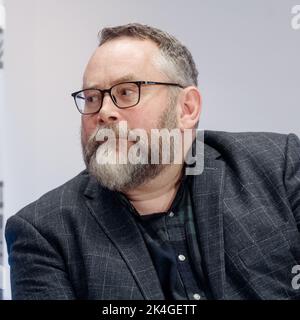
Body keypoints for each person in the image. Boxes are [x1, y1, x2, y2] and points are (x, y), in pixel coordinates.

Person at [5, 23, 300, 300]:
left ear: (187, 108)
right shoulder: (44, 232)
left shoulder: (277, 165)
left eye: (126, 92)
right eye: (92, 98)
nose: (104, 112)